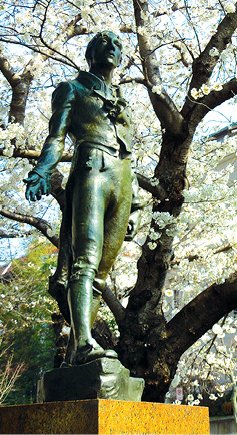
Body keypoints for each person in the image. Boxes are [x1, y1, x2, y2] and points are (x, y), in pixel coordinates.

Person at [24, 31, 142, 365]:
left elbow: (129, 150)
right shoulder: (72, 89)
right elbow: (56, 136)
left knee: (102, 272)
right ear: (90, 54)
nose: (113, 50)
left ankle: (79, 348)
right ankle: (86, 342)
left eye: (118, 46)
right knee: (86, 258)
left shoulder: (122, 98)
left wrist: (133, 205)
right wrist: (42, 171)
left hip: (122, 176)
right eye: (105, 44)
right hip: (91, 168)